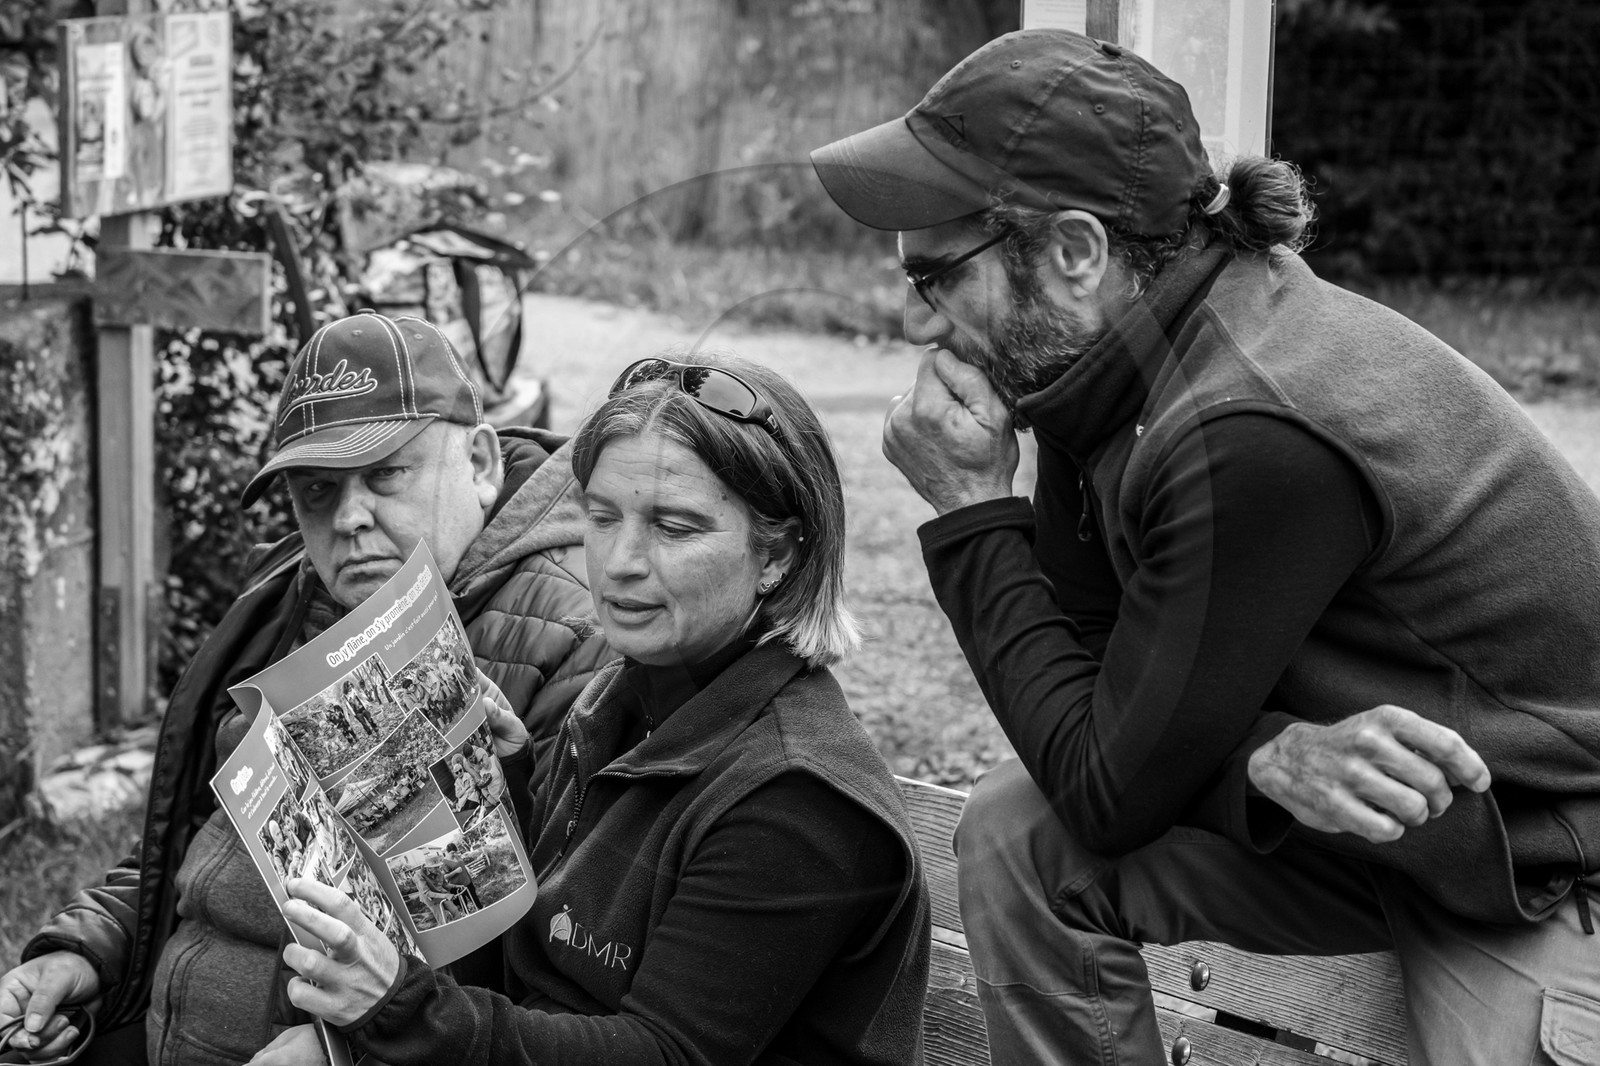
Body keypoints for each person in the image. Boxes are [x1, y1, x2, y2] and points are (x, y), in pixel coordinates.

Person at [811, 28, 1600, 1066]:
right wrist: (1262, 760)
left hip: (1544, 857)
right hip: (1392, 828)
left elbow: (1109, 786)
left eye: (936, 279)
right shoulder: (1107, 363)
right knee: (1018, 836)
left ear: (1077, 253)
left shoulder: (1245, 425)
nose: (916, 327)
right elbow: (1096, 706)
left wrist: (968, 509)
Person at [257, 348, 932, 1065]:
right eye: (603, 517)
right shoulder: (616, 704)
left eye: (675, 528)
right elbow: (530, 969)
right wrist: (502, 791)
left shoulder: (796, 800)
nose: (620, 562)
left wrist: (395, 1010)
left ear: (778, 556)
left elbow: (663, 1054)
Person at [0, 311, 613, 1066]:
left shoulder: (575, 643)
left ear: (480, 463)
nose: (349, 519)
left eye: (386, 474)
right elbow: (199, 840)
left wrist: (351, 1049)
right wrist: (88, 949)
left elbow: (557, 967)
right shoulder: (287, 600)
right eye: (317, 490)